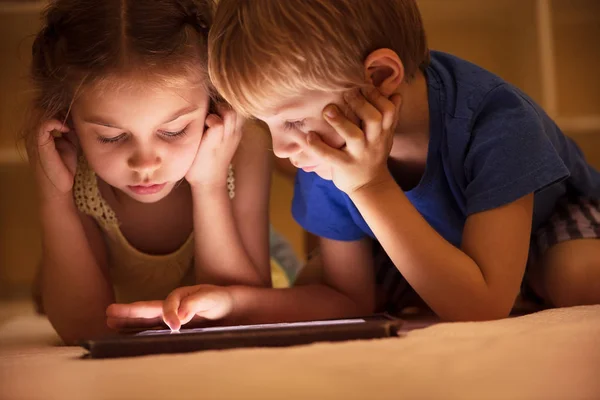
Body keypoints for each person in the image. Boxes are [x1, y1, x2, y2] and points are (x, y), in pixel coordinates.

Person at [112, 0, 600, 330]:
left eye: (294, 120)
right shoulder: (323, 149)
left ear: (382, 78)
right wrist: (231, 303)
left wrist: (368, 186)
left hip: (544, 226)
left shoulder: (494, 121)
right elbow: (348, 300)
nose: (283, 149)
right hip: (413, 243)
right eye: (269, 126)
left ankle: (521, 285)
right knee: (316, 287)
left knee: (573, 277)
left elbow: (482, 309)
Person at [25, 0, 274, 343]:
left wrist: (209, 185)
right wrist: (53, 198)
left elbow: (246, 314)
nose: (145, 164)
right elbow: (84, 330)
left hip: (258, 267)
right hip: (107, 291)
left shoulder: (244, 146)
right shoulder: (75, 167)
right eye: (111, 137)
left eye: (172, 131)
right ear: (69, 124)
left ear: (215, 104)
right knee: (46, 291)